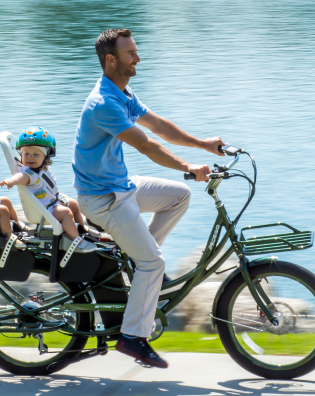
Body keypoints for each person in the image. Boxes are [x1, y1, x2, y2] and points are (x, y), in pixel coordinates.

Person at [73, 29, 224, 368]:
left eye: (136, 51)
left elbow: (158, 126)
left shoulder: (122, 92)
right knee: (154, 262)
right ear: (111, 60)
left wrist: (202, 144)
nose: (138, 58)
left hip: (120, 185)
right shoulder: (104, 104)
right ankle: (132, 337)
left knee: (178, 196)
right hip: (102, 198)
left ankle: (137, 260)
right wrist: (187, 165)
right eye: (131, 54)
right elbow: (145, 144)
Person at [0, 127, 95, 253]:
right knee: (66, 213)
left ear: (46, 156)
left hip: (52, 201)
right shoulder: (29, 173)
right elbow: (20, 177)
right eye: (26, 154)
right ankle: (76, 240)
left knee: (74, 205)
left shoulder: (43, 168)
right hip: (44, 208)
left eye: (35, 154)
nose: (30, 157)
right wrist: (10, 181)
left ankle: (82, 230)